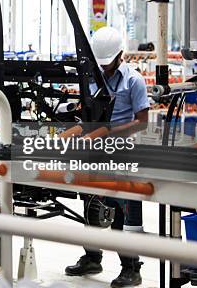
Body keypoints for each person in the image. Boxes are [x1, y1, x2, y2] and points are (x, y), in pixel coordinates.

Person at [65, 26, 150, 288]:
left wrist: (108, 130)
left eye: (109, 64)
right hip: (94, 151)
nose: (105, 69)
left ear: (120, 56)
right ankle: (92, 257)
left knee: (123, 210)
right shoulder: (93, 78)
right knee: (90, 203)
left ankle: (131, 268)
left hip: (123, 151)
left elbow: (142, 122)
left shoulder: (133, 81)